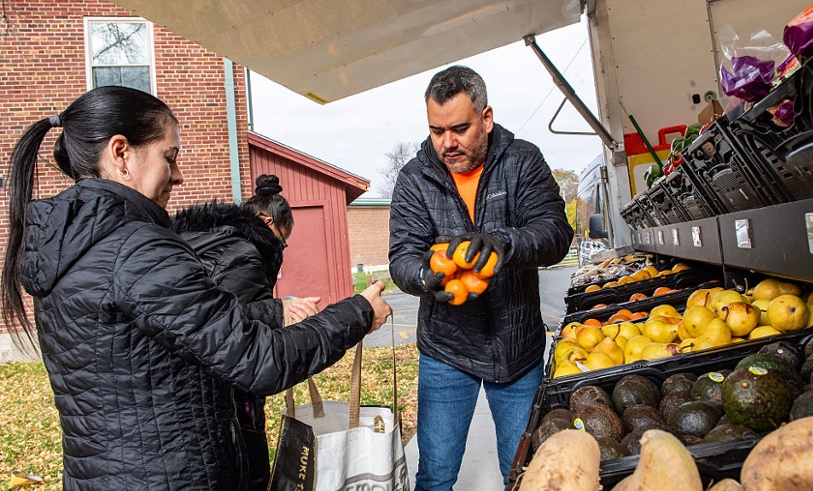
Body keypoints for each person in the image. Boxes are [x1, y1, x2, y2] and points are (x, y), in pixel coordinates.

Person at [0, 86, 392, 491]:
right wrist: (358, 312)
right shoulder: (136, 249)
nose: (179, 174)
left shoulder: (67, 244)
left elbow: (169, 330)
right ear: (121, 154)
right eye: (169, 157)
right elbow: (261, 361)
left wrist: (274, 312)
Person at [388, 65, 573, 489]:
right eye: (436, 131)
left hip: (517, 348)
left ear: (486, 118)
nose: (447, 143)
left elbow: (555, 233)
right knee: (434, 475)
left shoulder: (522, 159)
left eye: (459, 128)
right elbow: (403, 256)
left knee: (522, 473)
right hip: (446, 350)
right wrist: (423, 275)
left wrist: (504, 244)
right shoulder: (415, 178)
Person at [170, 174, 319, 490]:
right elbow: (242, 338)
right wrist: (279, 312)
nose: (281, 249)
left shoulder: (199, 239)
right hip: (231, 404)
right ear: (267, 222)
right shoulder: (244, 254)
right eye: (282, 239)